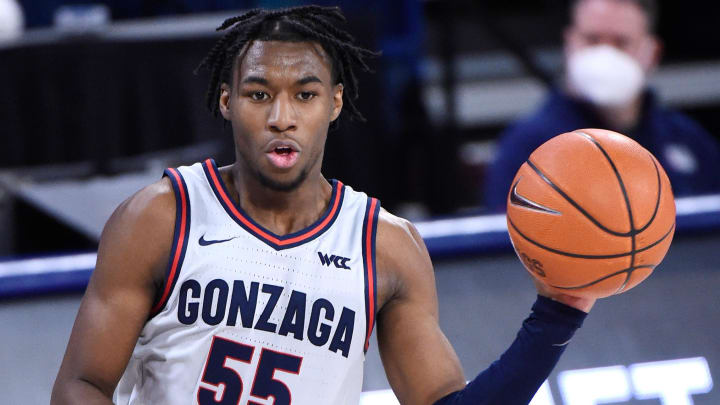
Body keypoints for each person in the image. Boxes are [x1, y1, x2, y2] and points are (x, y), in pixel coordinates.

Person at [51, 6, 592, 404]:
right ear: (225, 101)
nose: (281, 116)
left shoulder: (385, 247)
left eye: (304, 95)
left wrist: (559, 311)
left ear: (334, 103)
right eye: (259, 93)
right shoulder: (160, 217)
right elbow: (82, 384)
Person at [484, 0, 720, 212]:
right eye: (592, 40)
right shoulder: (526, 147)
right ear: (569, 44)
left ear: (652, 53)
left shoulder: (689, 140)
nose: (605, 54)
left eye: (620, 43)